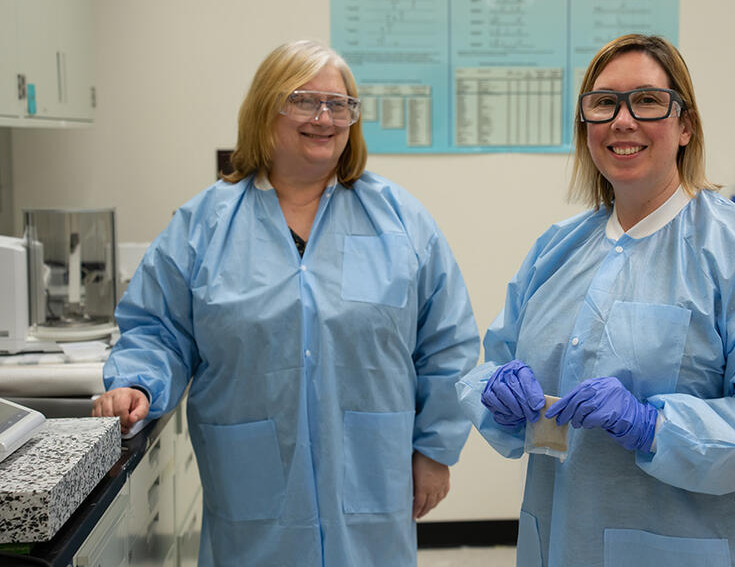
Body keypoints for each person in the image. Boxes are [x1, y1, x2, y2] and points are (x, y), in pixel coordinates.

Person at [456, 33, 735, 567]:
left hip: (693, 547)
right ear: (585, 125)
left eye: (646, 101)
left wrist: (654, 426)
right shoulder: (557, 249)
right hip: (564, 540)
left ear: (685, 125)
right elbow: (497, 362)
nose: (622, 121)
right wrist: (495, 391)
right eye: (603, 103)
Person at [92, 40, 480, 566]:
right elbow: (159, 328)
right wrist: (137, 382)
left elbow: (446, 341)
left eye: (339, 104)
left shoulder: (399, 220)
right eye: (304, 100)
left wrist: (434, 450)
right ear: (265, 110)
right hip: (251, 481)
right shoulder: (206, 224)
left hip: (371, 473)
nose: (324, 117)